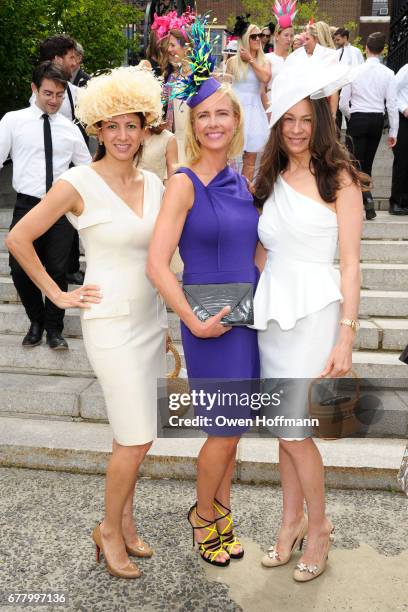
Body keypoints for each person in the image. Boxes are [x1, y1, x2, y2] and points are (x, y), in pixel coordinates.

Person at [6, 66, 166, 579]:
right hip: (110, 324)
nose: (122, 136)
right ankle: (108, 530)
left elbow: (162, 259)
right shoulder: (77, 181)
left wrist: (170, 328)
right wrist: (56, 293)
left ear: (146, 128)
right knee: (136, 435)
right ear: (97, 129)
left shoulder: (157, 183)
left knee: (134, 435)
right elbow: (19, 238)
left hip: (149, 319)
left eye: (131, 125)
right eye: (111, 126)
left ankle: (126, 520)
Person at [147, 18, 260, 567]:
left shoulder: (241, 181)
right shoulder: (182, 182)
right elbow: (156, 264)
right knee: (222, 430)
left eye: (223, 113)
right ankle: (202, 513)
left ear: (236, 121)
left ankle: (223, 511)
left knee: (234, 432)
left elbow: (256, 250)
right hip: (208, 323)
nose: (214, 123)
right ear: (192, 125)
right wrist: (193, 321)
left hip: (247, 315)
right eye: (204, 115)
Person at [253, 53, 365, 582]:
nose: (296, 130)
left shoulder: (338, 177)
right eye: (288, 120)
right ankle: (289, 521)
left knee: (296, 430)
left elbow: (351, 263)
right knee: (283, 429)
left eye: (306, 120)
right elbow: (261, 251)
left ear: (319, 123)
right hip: (274, 315)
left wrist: (347, 335)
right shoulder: (269, 173)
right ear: (278, 124)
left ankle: (318, 527)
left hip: (319, 312)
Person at [0, 62, 91, 350]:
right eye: (48, 93)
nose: (53, 100)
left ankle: (54, 329)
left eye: (59, 95)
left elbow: (87, 168)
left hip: (60, 207)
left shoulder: (70, 129)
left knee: (58, 269)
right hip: (27, 205)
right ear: (34, 89)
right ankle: (36, 321)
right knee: (19, 268)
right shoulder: (12, 122)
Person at [340, 32, 398, 220]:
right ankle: (366, 198)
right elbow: (391, 104)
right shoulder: (389, 74)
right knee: (368, 163)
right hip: (376, 119)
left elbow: (342, 103)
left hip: (358, 117)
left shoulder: (354, 71)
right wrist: (394, 131)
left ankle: (364, 199)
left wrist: (351, 116)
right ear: (382, 51)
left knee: (354, 163)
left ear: (365, 48)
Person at [226, 18, 271, 181]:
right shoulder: (232, 62)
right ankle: (232, 192)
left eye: (260, 36)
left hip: (254, 113)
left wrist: (251, 60)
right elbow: (226, 86)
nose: (258, 39)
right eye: (254, 36)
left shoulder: (264, 62)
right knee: (231, 157)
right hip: (236, 111)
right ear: (246, 39)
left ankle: (245, 195)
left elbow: (265, 78)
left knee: (250, 160)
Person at [288, 22, 340, 117]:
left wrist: (332, 116)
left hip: (322, 106)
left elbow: (334, 91)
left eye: (307, 39)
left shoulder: (330, 57)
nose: (304, 43)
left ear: (316, 39)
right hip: (305, 106)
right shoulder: (305, 58)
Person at [264, 0, 297, 109]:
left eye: (292, 36)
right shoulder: (267, 58)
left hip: (291, 105)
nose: (289, 39)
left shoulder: (295, 59)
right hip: (272, 104)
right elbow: (261, 89)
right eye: (286, 35)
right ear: (277, 36)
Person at [389, 62, 408, 215]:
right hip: (404, 120)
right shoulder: (406, 69)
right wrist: (404, 107)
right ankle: (395, 201)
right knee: (402, 161)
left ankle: (406, 201)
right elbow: (392, 91)